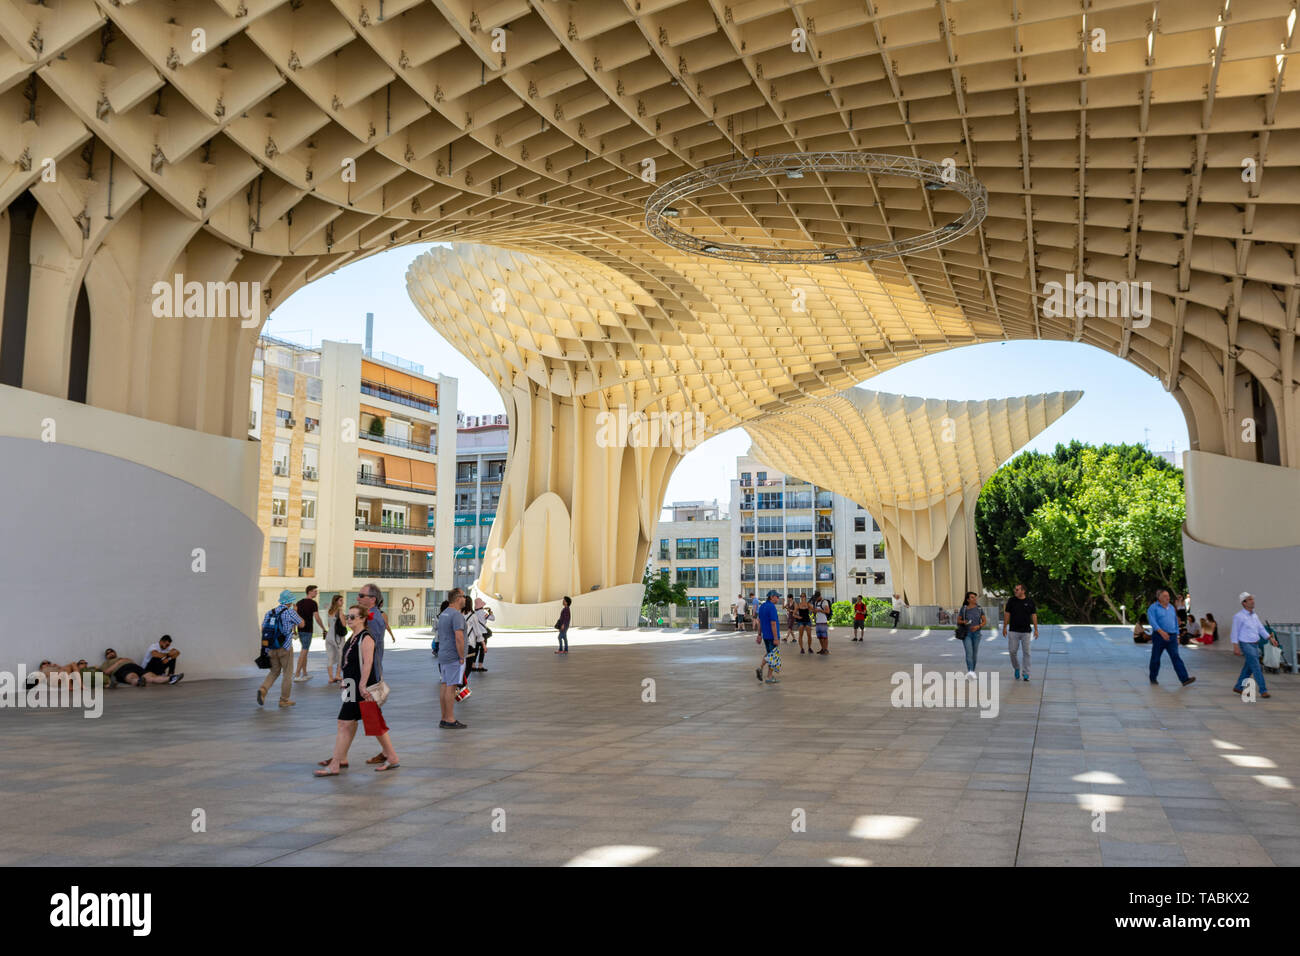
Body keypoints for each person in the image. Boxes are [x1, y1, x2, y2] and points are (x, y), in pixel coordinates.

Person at [315, 604, 399, 775]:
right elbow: (348, 662)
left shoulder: (366, 637)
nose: (349, 619)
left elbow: (368, 663)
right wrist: (345, 681)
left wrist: (362, 685)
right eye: (348, 616)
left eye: (353, 616)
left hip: (362, 688)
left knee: (353, 723)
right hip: (352, 686)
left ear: (362, 619)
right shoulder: (352, 637)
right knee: (357, 723)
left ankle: (336, 764)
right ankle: (389, 757)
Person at [258, 590, 303, 706]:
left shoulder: (270, 612)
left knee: (274, 671)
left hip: (271, 648)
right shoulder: (290, 612)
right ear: (291, 602)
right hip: (285, 647)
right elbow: (302, 624)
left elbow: (263, 629)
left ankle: (263, 689)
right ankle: (284, 700)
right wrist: (296, 612)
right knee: (287, 673)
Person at [1147, 589, 1196, 687]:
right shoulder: (1153, 608)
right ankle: (1153, 678)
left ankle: (1184, 679)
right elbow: (1152, 622)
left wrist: (1177, 636)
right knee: (1156, 658)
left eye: (1168, 596)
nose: (1168, 598)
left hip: (1172, 637)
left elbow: (1175, 622)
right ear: (1159, 597)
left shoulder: (1172, 608)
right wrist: (1161, 632)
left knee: (1176, 657)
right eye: (1165, 596)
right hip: (1159, 637)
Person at [1231, 592, 1276, 699]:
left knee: (1249, 667)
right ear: (1244, 603)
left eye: (1252, 599)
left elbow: (1260, 628)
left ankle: (1238, 687)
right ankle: (1263, 690)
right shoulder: (1239, 616)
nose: (1253, 601)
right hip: (1245, 644)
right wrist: (1235, 646)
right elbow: (1234, 632)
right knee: (1256, 667)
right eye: (1250, 599)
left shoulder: (1255, 615)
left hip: (1255, 644)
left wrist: (1270, 638)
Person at [437, 589, 469, 728]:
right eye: (463, 596)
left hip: (444, 655)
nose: (465, 599)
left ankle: (444, 717)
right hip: (453, 656)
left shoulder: (444, 614)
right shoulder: (456, 615)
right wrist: (461, 656)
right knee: (451, 687)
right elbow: (459, 637)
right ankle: (449, 719)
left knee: (445, 686)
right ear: (457, 598)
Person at [1001, 583, 1037, 682]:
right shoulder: (1011, 601)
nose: (1015, 591)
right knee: (1012, 652)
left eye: (1017, 589)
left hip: (1026, 631)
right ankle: (1016, 667)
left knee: (1027, 653)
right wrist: (1004, 627)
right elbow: (1007, 614)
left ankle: (1026, 674)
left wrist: (1036, 629)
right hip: (1013, 631)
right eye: (1015, 589)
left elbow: (1033, 615)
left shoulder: (1030, 602)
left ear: (1023, 591)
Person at [293, 586, 326, 681]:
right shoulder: (313, 603)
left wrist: (294, 630)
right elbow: (317, 617)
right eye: (315, 591)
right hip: (307, 630)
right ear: (310, 592)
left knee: (305, 652)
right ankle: (297, 674)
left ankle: (305, 673)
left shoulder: (299, 602)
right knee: (304, 651)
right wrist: (323, 628)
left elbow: (295, 616)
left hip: (300, 630)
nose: (316, 593)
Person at [101, 649, 173, 687]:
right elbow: (106, 672)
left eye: (111, 651)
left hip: (134, 666)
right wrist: (119, 662)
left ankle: (171, 678)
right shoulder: (106, 663)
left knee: (151, 676)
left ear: (115, 653)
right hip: (121, 669)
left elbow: (133, 662)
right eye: (107, 653)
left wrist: (125, 660)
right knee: (132, 677)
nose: (110, 653)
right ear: (106, 657)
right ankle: (139, 682)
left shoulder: (123, 658)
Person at [755, 590, 782, 684]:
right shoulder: (772, 607)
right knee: (773, 656)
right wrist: (776, 638)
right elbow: (773, 623)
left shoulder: (762, 606)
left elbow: (760, 622)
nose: (778, 598)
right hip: (772, 636)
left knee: (769, 654)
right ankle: (769, 677)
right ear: (772, 597)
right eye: (777, 597)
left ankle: (760, 668)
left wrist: (759, 634)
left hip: (766, 636)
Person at [957, 592, 986, 676]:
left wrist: (978, 626)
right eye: (972, 597)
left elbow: (984, 621)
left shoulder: (979, 609)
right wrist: (964, 621)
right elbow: (958, 620)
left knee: (974, 654)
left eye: (975, 597)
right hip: (967, 634)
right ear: (968, 600)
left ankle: (972, 671)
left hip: (977, 634)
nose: (975, 599)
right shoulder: (964, 609)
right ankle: (970, 671)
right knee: (969, 653)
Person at [323, 594, 346, 684]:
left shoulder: (329, 611)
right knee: (341, 656)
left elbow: (329, 625)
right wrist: (344, 618)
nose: (342, 602)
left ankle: (330, 678)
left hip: (329, 636)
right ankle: (337, 675)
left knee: (330, 657)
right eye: (340, 600)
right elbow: (344, 625)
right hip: (337, 637)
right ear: (336, 601)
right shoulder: (339, 611)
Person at [468, 598, 495, 672]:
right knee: (482, 650)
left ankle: (473, 665)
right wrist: (491, 613)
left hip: (476, 634)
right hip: (483, 633)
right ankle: (480, 666)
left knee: (475, 650)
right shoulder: (483, 613)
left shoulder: (473, 613)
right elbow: (493, 619)